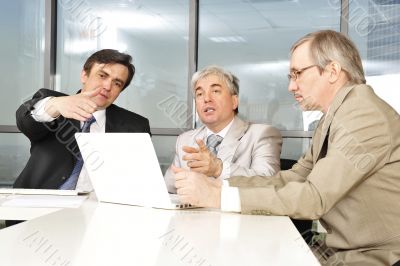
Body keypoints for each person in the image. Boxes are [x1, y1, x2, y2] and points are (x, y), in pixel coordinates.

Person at [172, 31, 400, 265]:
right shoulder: (333, 117)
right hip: (340, 250)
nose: (291, 86)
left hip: (377, 257)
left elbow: (314, 197)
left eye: (297, 74)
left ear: (332, 71)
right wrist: (221, 185)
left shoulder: (363, 115)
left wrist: (219, 196)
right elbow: (293, 178)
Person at [14, 49, 151, 191]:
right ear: (84, 75)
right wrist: (54, 105)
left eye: (117, 83)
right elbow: (25, 122)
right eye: (102, 76)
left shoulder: (136, 126)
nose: (107, 86)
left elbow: (139, 181)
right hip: (38, 202)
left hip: (98, 208)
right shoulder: (54, 104)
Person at [164, 65, 282, 193]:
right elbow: (168, 184)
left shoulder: (261, 134)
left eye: (215, 91)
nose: (206, 98)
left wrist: (218, 169)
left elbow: (269, 183)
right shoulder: (185, 140)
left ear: (234, 101)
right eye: (199, 94)